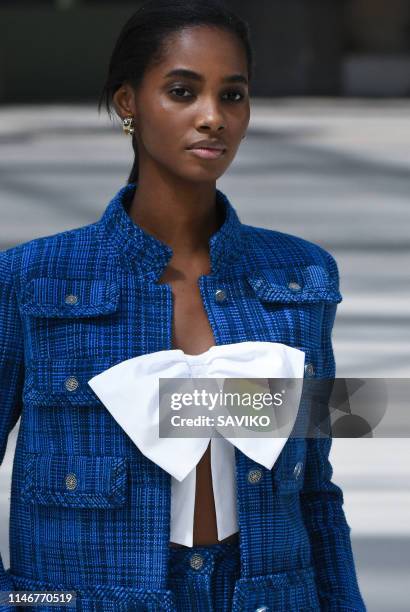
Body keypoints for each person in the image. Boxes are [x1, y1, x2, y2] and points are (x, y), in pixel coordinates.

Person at [0, 0, 366, 610]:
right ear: (128, 103)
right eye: (181, 91)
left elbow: (314, 488)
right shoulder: (32, 277)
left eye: (233, 95)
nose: (212, 118)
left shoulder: (302, 276)